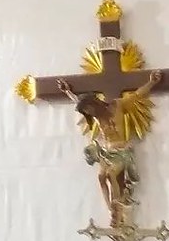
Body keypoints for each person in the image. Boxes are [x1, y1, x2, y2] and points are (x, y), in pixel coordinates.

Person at [56, 71, 162, 214]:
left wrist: (152, 82)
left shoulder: (117, 106)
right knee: (101, 177)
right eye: (85, 111)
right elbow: (77, 101)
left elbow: (136, 96)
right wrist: (67, 91)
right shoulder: (96, 118)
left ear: (95, 103)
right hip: (107, 152)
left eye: (88, 108)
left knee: (111, 174)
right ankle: (110, 208)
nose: (88, 112)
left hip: (122, 151)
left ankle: (117, 204)